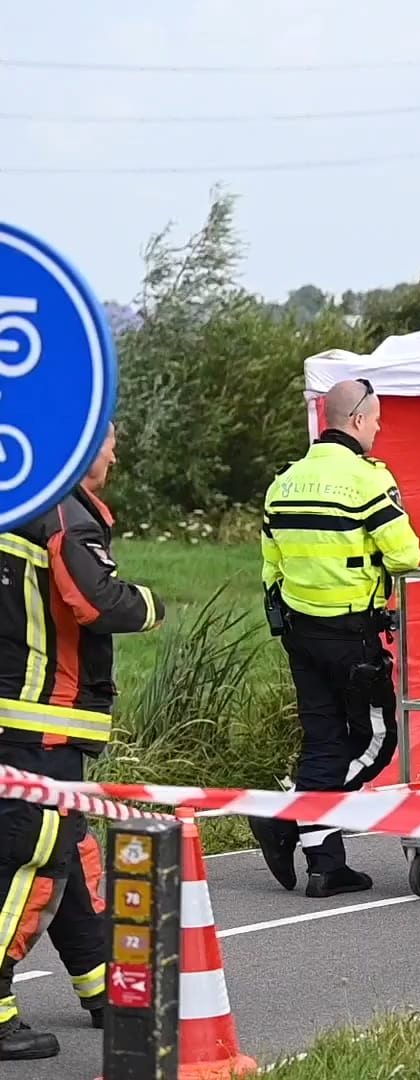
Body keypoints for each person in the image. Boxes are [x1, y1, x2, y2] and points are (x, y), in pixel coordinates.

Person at [0, 424, 165, 1059]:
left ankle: (104, 988)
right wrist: (150, 604)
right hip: (44, 724)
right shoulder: (63, 510)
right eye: (108, 440)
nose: (116, 453)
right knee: (31, 862)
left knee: (67, 856)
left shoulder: (18, 500)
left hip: (22, 722)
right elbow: (95, 603)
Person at [257, 379, 420, 898]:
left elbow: (271, 564)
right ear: (356, 420)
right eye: (375, 420)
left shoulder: (283, 481)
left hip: (300, 632)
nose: (378, 429)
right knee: (376, 742)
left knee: (325, 740)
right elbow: (406, 555)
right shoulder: (368, 480)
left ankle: (326, 866)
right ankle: (289, 819)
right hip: (353, 635)